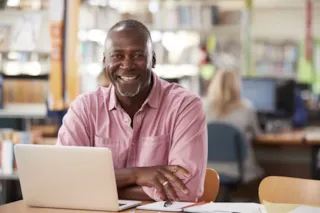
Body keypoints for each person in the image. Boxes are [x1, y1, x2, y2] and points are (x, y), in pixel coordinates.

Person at [56, 20, 207, 202]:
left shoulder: (185, 106)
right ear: (105, 61)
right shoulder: (85, 108)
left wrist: (97, 188)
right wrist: (135, 175)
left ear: (153, 59)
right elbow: (63, 180)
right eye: (117, 56)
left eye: (137, 55)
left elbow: (185, 191)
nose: (127, 65)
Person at [205, 69, 264, 183]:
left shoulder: (202, 106)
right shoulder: (246, 107)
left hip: (207, 169)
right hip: (237, 169)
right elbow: (258, 135)